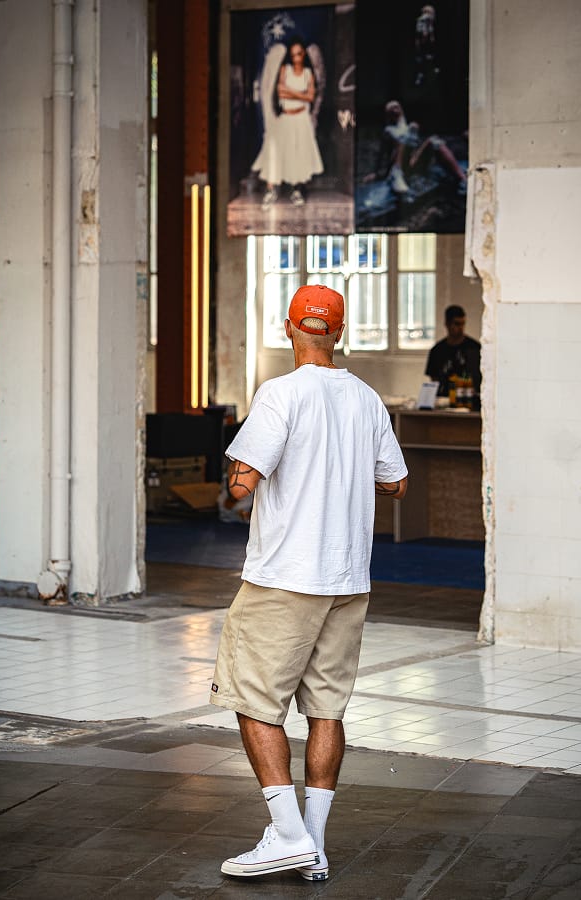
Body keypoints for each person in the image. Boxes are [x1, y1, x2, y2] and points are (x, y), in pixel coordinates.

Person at [209, 284, 408, 881]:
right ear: (339, 333)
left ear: (288, 328)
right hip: (348, 580)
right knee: (327, 710)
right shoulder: (367, 399)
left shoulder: (280, 393)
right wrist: (340, 476)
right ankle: (313, 848)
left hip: (283, 579)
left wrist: (237, 482)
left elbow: (243, 483)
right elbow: (395, 483)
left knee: (254, 703)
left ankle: (289, 835)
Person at [252, 35, 324, 208]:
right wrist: (302, 94)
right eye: (293, 55)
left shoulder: (308, 73)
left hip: (301, 119)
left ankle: (297, 190)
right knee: (274, 153)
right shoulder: (285, 69)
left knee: (298, 155)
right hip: (285, 116)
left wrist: (296, 93)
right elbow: (282, 92)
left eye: (299, 54)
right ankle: (270, 191)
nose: (296, 58)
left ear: (304, 55)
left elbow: (311, 96)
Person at [363, 99, 466, 196]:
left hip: (414, 161)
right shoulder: (389, 130)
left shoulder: (411, 126)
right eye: (391, 108)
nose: (395, 109)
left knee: (433, 140)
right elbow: (383, 153)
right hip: (401, 164)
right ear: (388, 113)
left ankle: (463, 179)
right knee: (404, 140)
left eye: (396, 107)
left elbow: (417, 147)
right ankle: (397, 175)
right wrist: (376, 173)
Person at [425, 304, 481, 396]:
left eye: (463, 323)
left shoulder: (474, 348)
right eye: (457, 324)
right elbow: (434, 381)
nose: (461, 328)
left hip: (468, 400)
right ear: (447, 324)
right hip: (444, 400)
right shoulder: (437, 351)